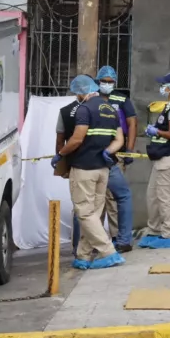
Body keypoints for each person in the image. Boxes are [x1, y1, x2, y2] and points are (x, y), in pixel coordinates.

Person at [51, 75, 126, 270]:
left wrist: (60, 154)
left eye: (77, 93)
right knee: (93, 213)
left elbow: (76, 139)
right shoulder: (110, 109)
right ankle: (83, 256)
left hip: (84, 168)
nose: (76, 96)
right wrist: (108, 151)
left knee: (84, 213)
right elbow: (119, 140)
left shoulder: (84, 109)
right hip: (103, 169)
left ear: (81, 92)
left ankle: (109, 252)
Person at [138, 73, 170, 249]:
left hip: (169, 157)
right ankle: (154, 230)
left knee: (165, 197)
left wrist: (156, 132)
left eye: (165, 85)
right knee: (153, 194)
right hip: (163, 157)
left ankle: (168, 234)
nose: (162, 88)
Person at [95, 65, 136, 252]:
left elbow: (132, 124)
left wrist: (129, 150)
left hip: (116, 154)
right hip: (96, 154)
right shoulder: (92, 98)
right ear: (98, 81)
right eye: (104, 81)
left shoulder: (121, 99)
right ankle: (96, 239)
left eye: (110, 82)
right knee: (97, 197)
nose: (107, 84)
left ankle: (116, 236)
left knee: (113, 197)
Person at [55, 99, 81, 256]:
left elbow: (60, 140)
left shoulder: (65, 111)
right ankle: (89, 245)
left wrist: (60, 159)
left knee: (79, 206)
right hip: (99, 165)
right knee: (94, 207)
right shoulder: (102, 107)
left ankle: (78, 247)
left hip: (75, 164)